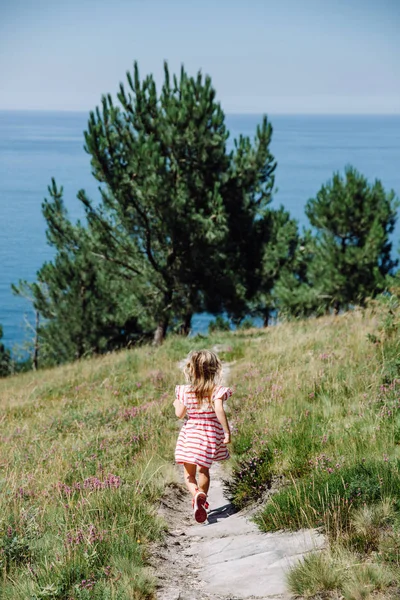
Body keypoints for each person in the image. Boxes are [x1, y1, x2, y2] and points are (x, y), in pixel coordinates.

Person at [173, 349, 232, 523]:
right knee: (203, 469)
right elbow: (219, 410)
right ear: (214, 369)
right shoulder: (216, 391)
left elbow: (180, 414)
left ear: (191, 369)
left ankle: (196, 493)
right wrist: (227, 432)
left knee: (189, 475)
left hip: (190, 434)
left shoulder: (184, 391)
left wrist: (176, 402)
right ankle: (203, 497)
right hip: (209, 435)